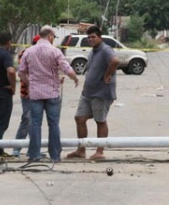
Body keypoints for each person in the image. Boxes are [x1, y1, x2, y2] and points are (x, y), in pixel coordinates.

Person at [18, 25, 79, 162]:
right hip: (52, 93)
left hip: (35, 94)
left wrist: (30, 83)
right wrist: (75, 78)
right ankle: (55, 155)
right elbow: (67, 68)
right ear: (50, 36)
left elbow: (21, 72)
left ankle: (34, 155)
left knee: (35, 123)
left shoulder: (29, 51)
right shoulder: (55, 51)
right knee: (53, 124)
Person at [66, 25, 119, 160]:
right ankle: (81, 150)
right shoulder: (93, 51)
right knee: (80, 118)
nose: (91, 39)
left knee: (100, 121)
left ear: (99, 37)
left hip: (101, 93)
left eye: (93, 37)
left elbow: (115, 61)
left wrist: (108, 75)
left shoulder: (105, 49)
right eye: (88, 37)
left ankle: (99, 152)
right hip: (88, 93)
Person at [12, 34, 44, 157]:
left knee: (33, 121)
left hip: (39, 93)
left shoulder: (41, 54)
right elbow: (23, 72)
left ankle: (33, 149)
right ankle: (18, 148)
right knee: (28, 119)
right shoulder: (26, 54)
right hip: (28, 93)